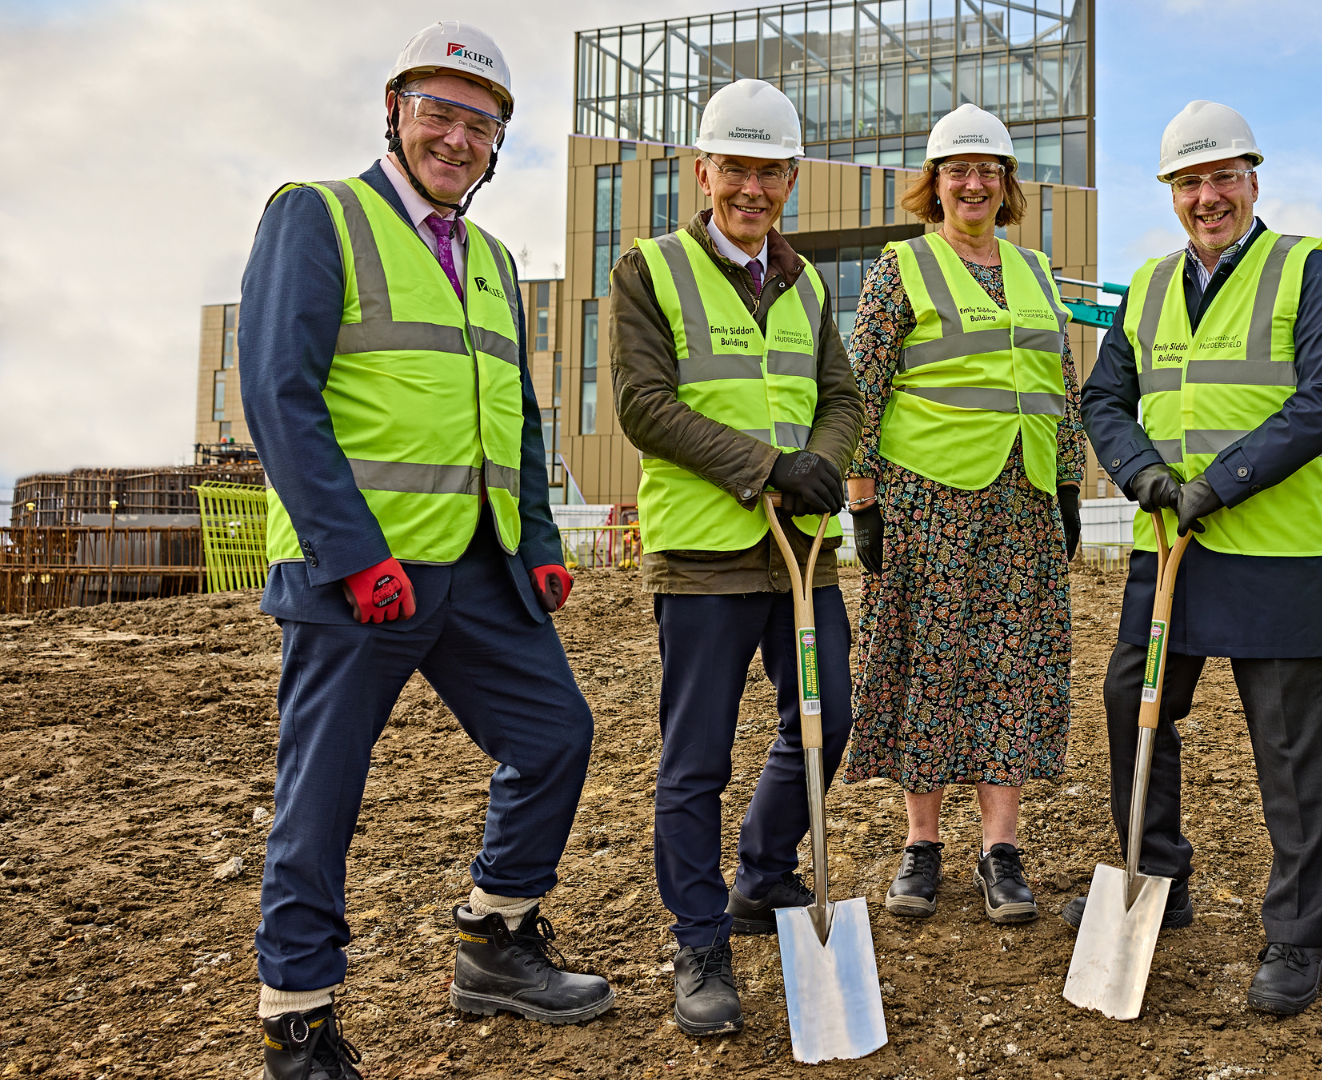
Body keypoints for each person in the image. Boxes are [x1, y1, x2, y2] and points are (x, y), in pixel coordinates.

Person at [241, 22, 610, 1080]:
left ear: (499, 146)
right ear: (394, 112)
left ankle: (494, 941)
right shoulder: (318, 216)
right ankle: (297, 1019)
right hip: (357, 577)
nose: (456, 138)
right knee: (324, 798)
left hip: (479, 567)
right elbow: (279, 394)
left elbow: (521, 416)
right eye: (438, 113)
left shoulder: (489, 258)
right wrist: (356, 555)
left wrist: (536, 539)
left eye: (479, 123)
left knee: (555, 737)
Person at [1073, 101, 1322, 1014]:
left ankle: (1298, 934)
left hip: (1271, 554)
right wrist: (1146, 475)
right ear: (1171, 194)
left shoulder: (1303, 267)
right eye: (1190, 183)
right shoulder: (1150, 287)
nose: (1208, 196)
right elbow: (1104, 401)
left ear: (1252, 182)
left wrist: (1222, 482)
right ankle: (1157, 874)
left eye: (1222, 178)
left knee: (1290, 752)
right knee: (1137, 704)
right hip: (1171, 551)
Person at [606, 78, 862, 1037]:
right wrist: (767, 468)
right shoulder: (651, 269)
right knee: (695, 758)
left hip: (802, 552)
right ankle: (701, 939)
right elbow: (644, 406)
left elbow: (838, 396)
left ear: (790, 178)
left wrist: (822, 467)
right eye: (736, 168)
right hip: (706, 554)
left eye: (770, 171)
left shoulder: (806, 282)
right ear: (703, 171)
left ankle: (762, 874)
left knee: (829, 718)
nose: (752, 188)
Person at [839, 103, 1084, 925]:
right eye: (958, 170)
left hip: (1023, 500)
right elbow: (861, 390)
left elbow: (1063, 387)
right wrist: (862, 500)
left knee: (1010, 666)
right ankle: (921, 844)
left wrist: (1072, 484)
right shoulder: (900, 268)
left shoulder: (1038, 272)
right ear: (934, 185)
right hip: (927, 500)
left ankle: (1001, 849)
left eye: (988, 170)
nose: (974, 183)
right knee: (929, 662)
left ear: (1006, 184)